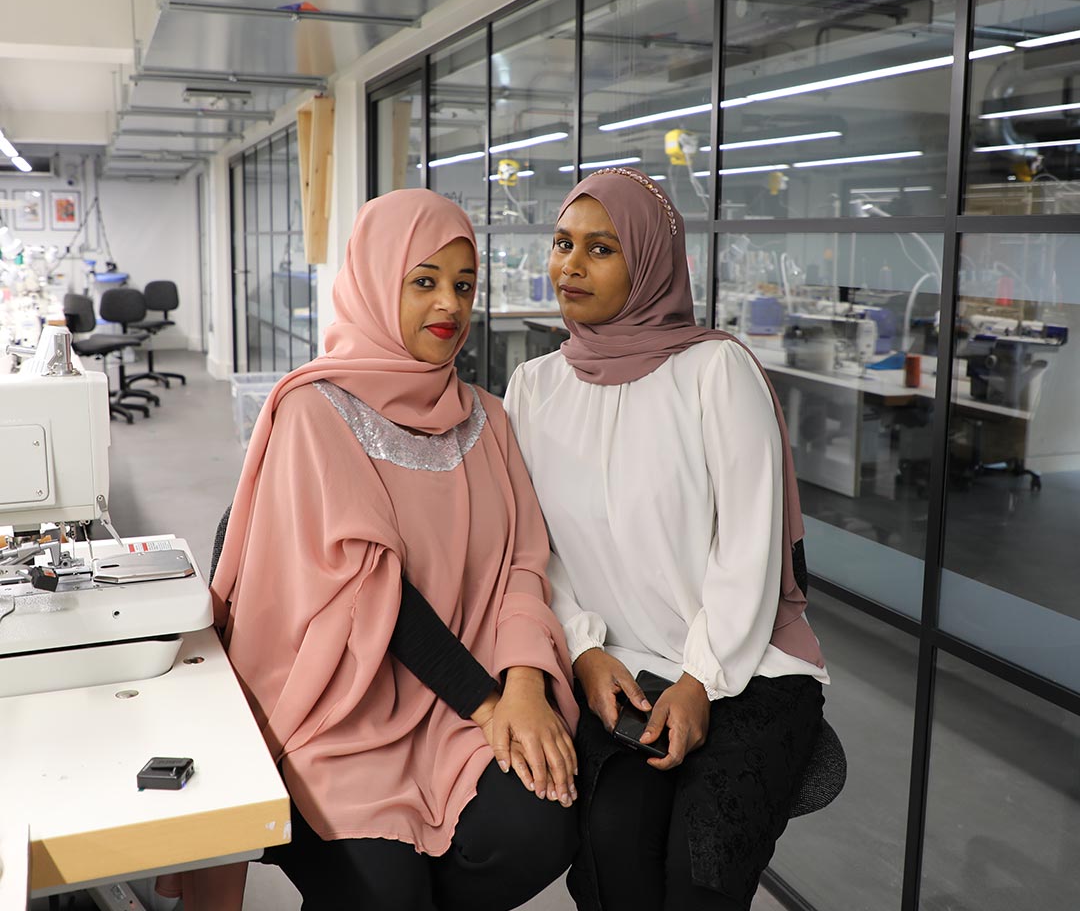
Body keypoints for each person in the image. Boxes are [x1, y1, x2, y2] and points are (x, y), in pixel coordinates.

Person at [181, 188, 579, 911]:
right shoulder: (312, 412)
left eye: (464, 285)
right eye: (424, 281)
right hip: (339, 709)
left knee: (542, 827)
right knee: (386, 891)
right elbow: (370, 592)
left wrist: (524, 684)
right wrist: (491, 703)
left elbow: (525, 563)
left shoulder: (488, 420)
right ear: (374, 281)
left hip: (458, 712)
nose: (449, 305)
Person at [503, 167, 830, 911]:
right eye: (562, 243)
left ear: (651, 262)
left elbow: (749, 547)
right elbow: (533, 548)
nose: (570, 265)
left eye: (601, 248)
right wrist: (582, 649)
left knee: (698, 871)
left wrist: (699, 681)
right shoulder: (533, 388)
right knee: (613, 855)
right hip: (617, 669)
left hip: (744, 664)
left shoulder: (716, 371)